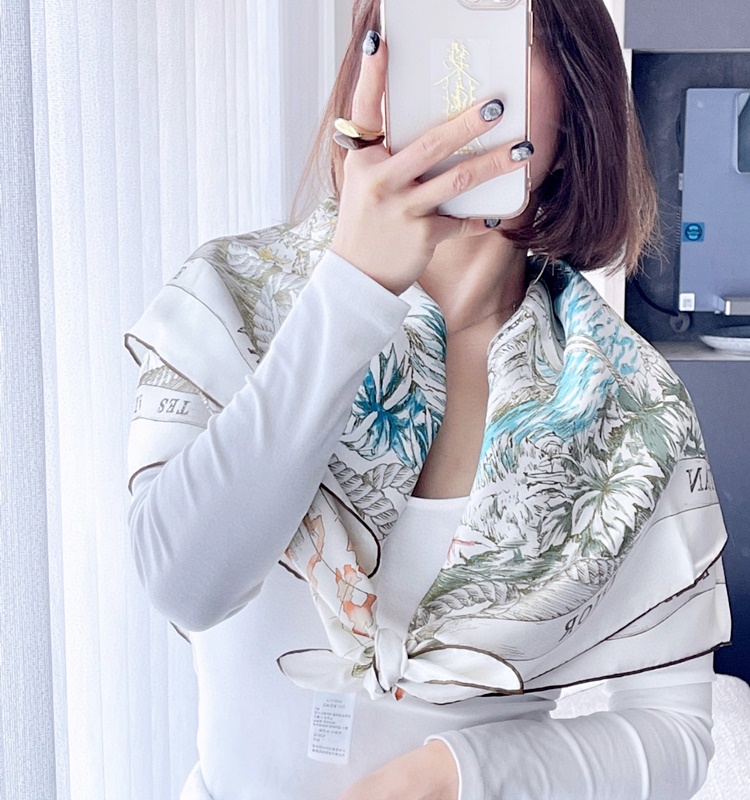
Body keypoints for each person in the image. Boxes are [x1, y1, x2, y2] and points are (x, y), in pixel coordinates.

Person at [125, 0, 731, 797]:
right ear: (371, 62)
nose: (456, 74)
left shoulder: (629, 404)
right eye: (423, 21)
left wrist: (456, 775)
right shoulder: (233, 299)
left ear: (574, 88)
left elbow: (676, 731)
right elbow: (184, 584)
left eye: (493, 30)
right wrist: (353, 288)